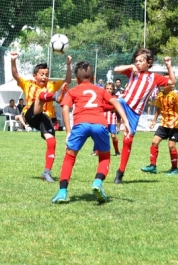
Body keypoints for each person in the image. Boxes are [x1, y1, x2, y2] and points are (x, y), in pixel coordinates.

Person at [51, 61, 130, 204]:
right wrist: (126, 121)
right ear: (93, 78)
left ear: (77, 79)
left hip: (81, 124)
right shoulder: (100, 90)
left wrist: (68, 131)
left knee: (69, 157)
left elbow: (64, 108)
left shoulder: (73, 91)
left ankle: (62, 192)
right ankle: (98, 183)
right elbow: (116, 103)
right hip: (100, 124)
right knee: (105, 157)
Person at [112, 48, 176, 184]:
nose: (138, 63)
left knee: (128, 141)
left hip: (135, 113)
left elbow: (172, 81)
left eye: (141, 61)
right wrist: (131, 66)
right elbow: (116, 69)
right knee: (114, 101)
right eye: (136, 61)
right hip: (124, 102)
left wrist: (168, 66)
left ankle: (120, 173)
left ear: (149, 63)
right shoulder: (132, 71)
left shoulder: (154, 77)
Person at [11, 51, 72, 182]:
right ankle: (55, 97)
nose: (45, 77)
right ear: (35, 75)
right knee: (40, 96)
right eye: (42, 74)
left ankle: (46, 172)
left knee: (52, 142)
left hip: (45, 118)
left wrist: (68, 65)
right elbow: (16, 75)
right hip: (31, 115)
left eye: (47, 75)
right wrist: (13, 61)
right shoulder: (28, 84)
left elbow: (67, 81)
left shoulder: (51, 85)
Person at [141, 80, 178, 176]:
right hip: (164, 124)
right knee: (154, 142)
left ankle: (174, 168)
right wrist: (153, 121)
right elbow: (158, 109)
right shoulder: (160, 95)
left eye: (165, 83)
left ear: (170, 85)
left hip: (175, 125)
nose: (162, 85)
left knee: (171, 146)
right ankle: (152, 166)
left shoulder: (175, 96)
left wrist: (173, 121)